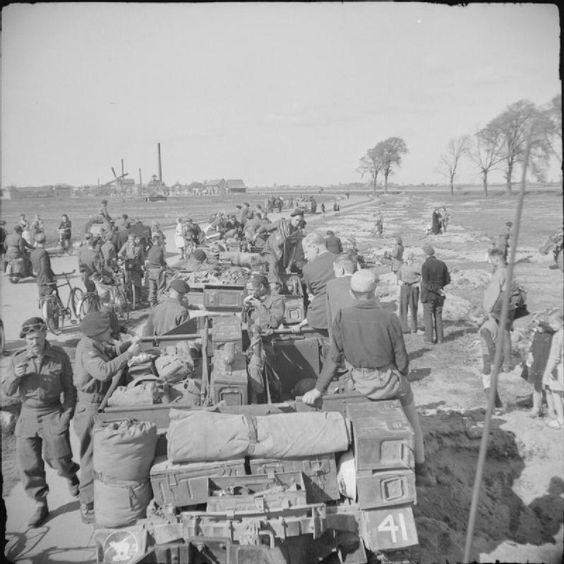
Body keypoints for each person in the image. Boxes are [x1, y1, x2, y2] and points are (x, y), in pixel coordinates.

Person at [302, 270, 435, 487]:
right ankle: (421, 470)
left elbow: (334, 358)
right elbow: (402, 360)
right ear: (375, 292)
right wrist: (400, 377)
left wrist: (318, 389)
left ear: (352, 293)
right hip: (389, 382)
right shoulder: (389, 318)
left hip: (359, 381)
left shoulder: (342, 316)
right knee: (413, 420)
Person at [1, 318, 79, 527]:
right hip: (27, 414)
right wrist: (15, 377)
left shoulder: (59, 357)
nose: (33, 342)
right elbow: (7, 391)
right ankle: (40, 504)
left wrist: (66, 415)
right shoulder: (17, 359)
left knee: (59, 459)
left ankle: (70, 474)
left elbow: (70, 389)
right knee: (29, 464)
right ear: (25, 340)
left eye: (37, 337)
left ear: (45, 335)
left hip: (52, 411)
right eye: (29, 338)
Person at [73, 311, 141, 523]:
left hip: (99, 402)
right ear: (97, 333)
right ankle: (87, 504)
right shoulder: (87, 349)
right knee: (90, 458)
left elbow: (111, 352)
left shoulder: (95, 344)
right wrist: (129, 354)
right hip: (91, 407)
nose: (111, 331)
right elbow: (103, 371)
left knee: (102, 456)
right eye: (107, 330)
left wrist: (127, 346)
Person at [243, 274, 285, 401]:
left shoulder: (276, 300)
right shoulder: (253, 300)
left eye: (251, 290)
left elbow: (273, 322)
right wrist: (245, 308)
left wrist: (260, 307)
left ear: (261, 287)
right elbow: (245, 322)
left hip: (269, 342)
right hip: (252, 342)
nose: (249, 293)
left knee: (262, 367)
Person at [294, 233, 335, 338]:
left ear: (314, 248)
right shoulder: (341, 261)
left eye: (306, 252)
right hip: (341, 314)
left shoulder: (308, 268)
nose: (306, 257)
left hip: (320, 318)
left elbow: (312, 292)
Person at [481, 248, 514, 373]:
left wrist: (488, 308)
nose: (490, 262)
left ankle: (499, 364)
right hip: (509, 306)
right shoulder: (508, 270)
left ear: (496, 259)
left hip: (499, 308)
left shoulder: (500, 273)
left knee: (497, 337)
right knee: (506, 334)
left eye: (491, 260)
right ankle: (508, 363)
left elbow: (494, 292)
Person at [260, 210, 305, 284]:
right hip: (270, 250)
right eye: (297, 220)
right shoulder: (281, 223)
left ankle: (283, 288)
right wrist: (256, 234)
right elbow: (266, 228)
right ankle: (273, 285)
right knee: (273, 264)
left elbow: (292, 252)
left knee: (282, 272)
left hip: (282, 255)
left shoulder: (297, 234)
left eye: (300, 221)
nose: (298, 223)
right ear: (292, 218)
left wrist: (289, 267)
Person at [420, 244, 450, 344]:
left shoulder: (425, 265)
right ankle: (440, 339)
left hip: (429, 295)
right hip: (440, 295)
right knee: (438, 316)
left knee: (428, 317)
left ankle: (429, 339)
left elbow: (426, 283)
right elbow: (447, 280)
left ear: (425, 254)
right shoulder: (442, 264)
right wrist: (440, 288)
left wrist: (435, 289)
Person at [325, 252, 358, 333]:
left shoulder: (331, 285)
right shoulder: (362, 283)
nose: (333, 270)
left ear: (341, 269)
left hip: (341, 331)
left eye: (334, 268)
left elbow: (329, 316)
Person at [542, 309, 564, 429]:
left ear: (561, 322)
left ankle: (560, 420)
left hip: (558, 369)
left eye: (553, 323)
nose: (551, 325)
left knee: (556, 393)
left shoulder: (557, 336)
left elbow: (554, 357)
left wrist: (547, 373)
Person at [118, 233, 146, 303]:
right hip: (128, 265)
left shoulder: (140, 246)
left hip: (137, 266)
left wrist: (143, 265)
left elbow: (142, 257)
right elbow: (119, 254)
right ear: (128, 239)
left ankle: (139, 297)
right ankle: (129, 298)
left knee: (138, 282)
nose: (131, 241)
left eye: (133, 239)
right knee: (128, 282)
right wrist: (125, 258)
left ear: (135, 239)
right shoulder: (126, 245)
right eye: (130, 239)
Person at [397, 253, 421, 334]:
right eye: (406, 259)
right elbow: (398, 276)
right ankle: (403, 328)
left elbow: (424, 275)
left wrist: (418, 283)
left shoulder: (416, 267)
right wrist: (399, 282)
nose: (408, 260)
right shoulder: (402, 266)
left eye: (410, 259)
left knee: (413, 307)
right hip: (404, 287)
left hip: (413, 288)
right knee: (403, 308)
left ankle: (414, 328)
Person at [30, 233, 56, 302]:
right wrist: (51, 278)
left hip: (39, 279)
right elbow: (45, 268)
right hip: (46, 280)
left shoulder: (33, 252)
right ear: (44, 241)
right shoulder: (43, 252)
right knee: (55, 295)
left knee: (42, 299)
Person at [145, 233, 168, 306]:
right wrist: (163, 265)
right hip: (158, 270)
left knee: (152, 288)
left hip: (151, 270)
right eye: (160, 240)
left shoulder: (150, 249)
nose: (161, 241)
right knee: (161, 288)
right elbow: (159, 257)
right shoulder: (158, 249)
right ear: (157, 240)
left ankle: (152, 303)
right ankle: (161, 304)